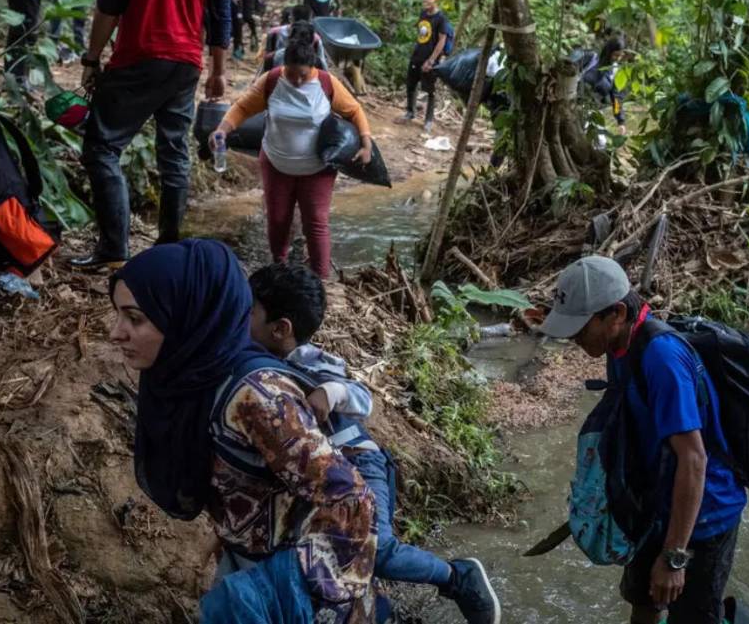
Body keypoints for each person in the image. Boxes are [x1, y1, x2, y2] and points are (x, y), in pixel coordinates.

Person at [107, 239, 378, 622]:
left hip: (286, 579)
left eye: (135, 318)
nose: (116, 333)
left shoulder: (259, 399)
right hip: (245, 560)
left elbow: (350, 498)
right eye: (118, 314)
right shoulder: (190, 374)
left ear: (186, 316)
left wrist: (299, 595)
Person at [248, 262, 502, 624]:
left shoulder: (308, 362)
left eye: (249, 311)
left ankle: (457, 576)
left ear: (280, 329)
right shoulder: (256, 364)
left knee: (377, 549)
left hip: (361, 465)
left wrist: (329, 392)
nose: (240, 319)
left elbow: (362, 398)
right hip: (325, 477)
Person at [540, 256, 746, 624]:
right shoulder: (620, 347)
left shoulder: (662, 359)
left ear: (615, 313)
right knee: (645, 604)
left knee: (693, 616)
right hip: (654, 507)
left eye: (580, 328)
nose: (573, 339)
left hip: (702, 517)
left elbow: (694, 460)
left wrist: (674, 557)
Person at [72, 0, 232, 270]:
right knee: (174, 153)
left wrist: (91, 58)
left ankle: (112, 251)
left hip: (140, 56)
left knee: (102, 147)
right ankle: (167, 250)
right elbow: (221, 15)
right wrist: (218, 72)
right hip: (185, 64)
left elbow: (111, 1)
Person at [209, 37, 371, 278]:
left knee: (315, 223)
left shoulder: (327, 83)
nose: (296, 80)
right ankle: (280, 267)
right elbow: (243, 107)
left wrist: (366, 144)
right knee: (278, 219)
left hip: (318, 168)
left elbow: (354, 110)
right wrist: (222, 129)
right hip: (276, 163)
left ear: (313, 68)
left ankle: (320, 279)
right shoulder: (272, 80)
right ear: (284, 66)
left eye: (302, 75)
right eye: (291, 74)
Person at [397, 0, 452, 134]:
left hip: (430, 59)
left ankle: (428, 120)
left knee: (430, 91)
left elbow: (442, 41)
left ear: (436, 1)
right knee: (411, 84)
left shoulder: (441, 19)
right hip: (417, 55)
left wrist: (432, 60)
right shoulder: (423, 13)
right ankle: (410, 112)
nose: (426, 0)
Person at [582, 35, 628, 132]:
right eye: (615, 55)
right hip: (575, 106)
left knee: (600, 143)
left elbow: (616, 100)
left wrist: (621, 121)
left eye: (620, 56)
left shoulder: (616, 72)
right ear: (608, 52)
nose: (618, 59)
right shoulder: (591, 58)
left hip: (595, 111)